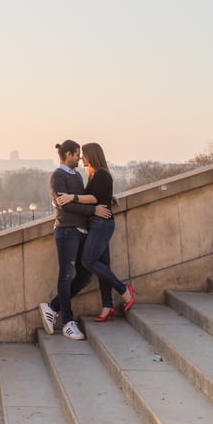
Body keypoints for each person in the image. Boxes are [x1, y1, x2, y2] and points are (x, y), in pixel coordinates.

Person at [39, 140, 112, 341]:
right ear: (68, 154)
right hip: (66, 230)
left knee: (86, 275)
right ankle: (68, 322)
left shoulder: (77, 176)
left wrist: (106, 199)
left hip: (81, 230)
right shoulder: (58, 176)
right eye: (77, 154)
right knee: (66, 275)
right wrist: (93, 210)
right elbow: (64, 205)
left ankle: (53, 307)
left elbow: (85, 197)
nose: (80, 157)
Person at [57, 141, 135, 321]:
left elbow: (93, 198)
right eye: (79, 154)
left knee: (87, 260)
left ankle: (123, 290)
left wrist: (72, 197)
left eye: (84, 154)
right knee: (102, 265)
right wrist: (109, 197)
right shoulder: (94, 175)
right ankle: (107, 305)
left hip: (102, 224)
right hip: (96, 223)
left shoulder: (101, 174)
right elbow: (100, 195)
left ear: (92, 155)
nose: (81, 157)